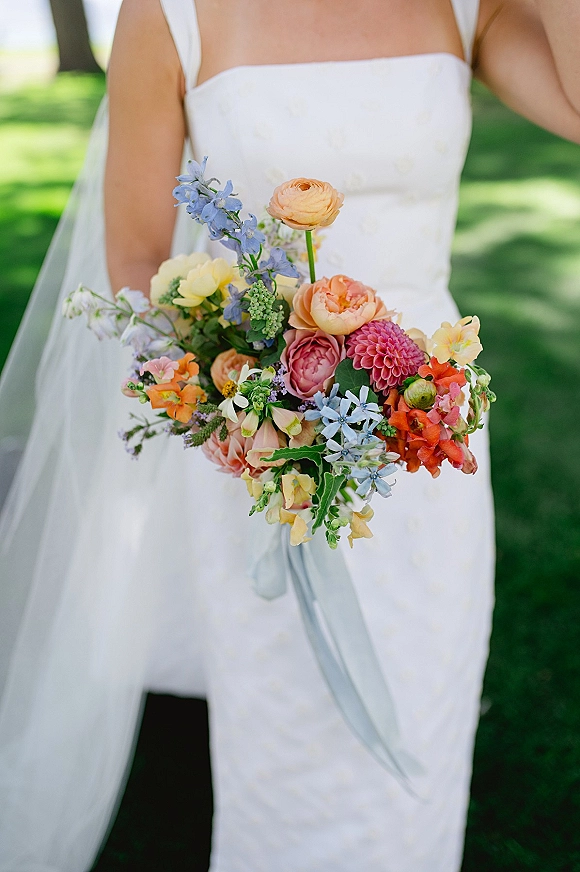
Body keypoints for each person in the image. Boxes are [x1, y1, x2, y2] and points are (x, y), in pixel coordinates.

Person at [0, 1, 579, 870]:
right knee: (284, 743)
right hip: (266, 449)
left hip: (432, 447)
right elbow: (135, 256)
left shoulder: (474, 5)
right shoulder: (169, 13)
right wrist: (240, 408)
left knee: (424, 723)